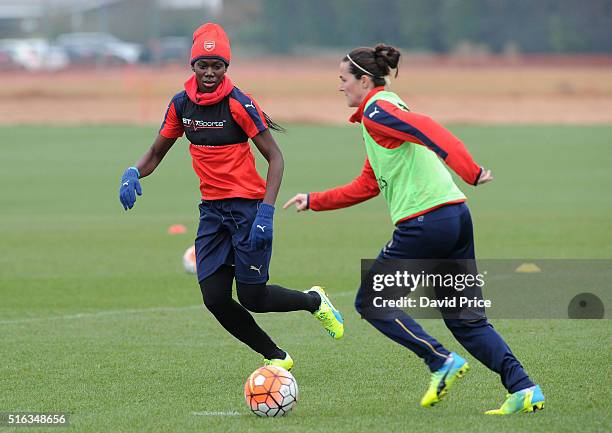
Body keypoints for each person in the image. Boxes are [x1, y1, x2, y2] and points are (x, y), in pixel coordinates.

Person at [284, 44, 544, 414]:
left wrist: (469, 170)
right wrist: (315, 200)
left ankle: (440, 361)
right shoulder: (382, 111)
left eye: (343, 80)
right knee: (465, 319)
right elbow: (368, 184)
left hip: (426, 223)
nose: (340, 87)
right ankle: (524, 388)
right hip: (454, 217)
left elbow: (427, 128)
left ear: (363, 79)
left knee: (372, 302)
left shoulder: (378, 109)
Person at [118, 23, 344, 372]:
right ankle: (277, 357)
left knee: (254, 298)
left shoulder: (240, 103)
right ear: (192, 65)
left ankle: (314, 302)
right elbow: (155, 153)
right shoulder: (180, 105)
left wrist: (266, 212)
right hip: (212, 212)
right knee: (215, 299)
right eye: (202, 65)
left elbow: (276, 158)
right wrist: (133, 171)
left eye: (217, 65)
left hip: (247, 210)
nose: (209, 72)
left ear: (227, 66)